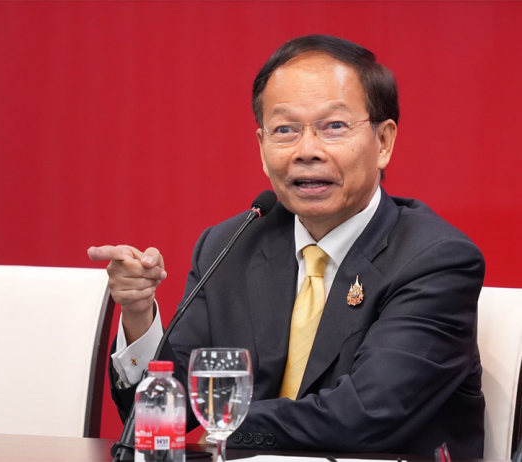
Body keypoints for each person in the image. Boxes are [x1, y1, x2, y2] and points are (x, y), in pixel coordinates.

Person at [88, 35, 485, 457]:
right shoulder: (230, 245)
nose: (307, 151)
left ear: (383, 141)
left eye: (334, 127)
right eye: (285, 130)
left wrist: (225, 429)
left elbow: (365, 417)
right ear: (262, 148)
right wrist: (139, 315)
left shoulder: (434, 259)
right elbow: (158, 419)